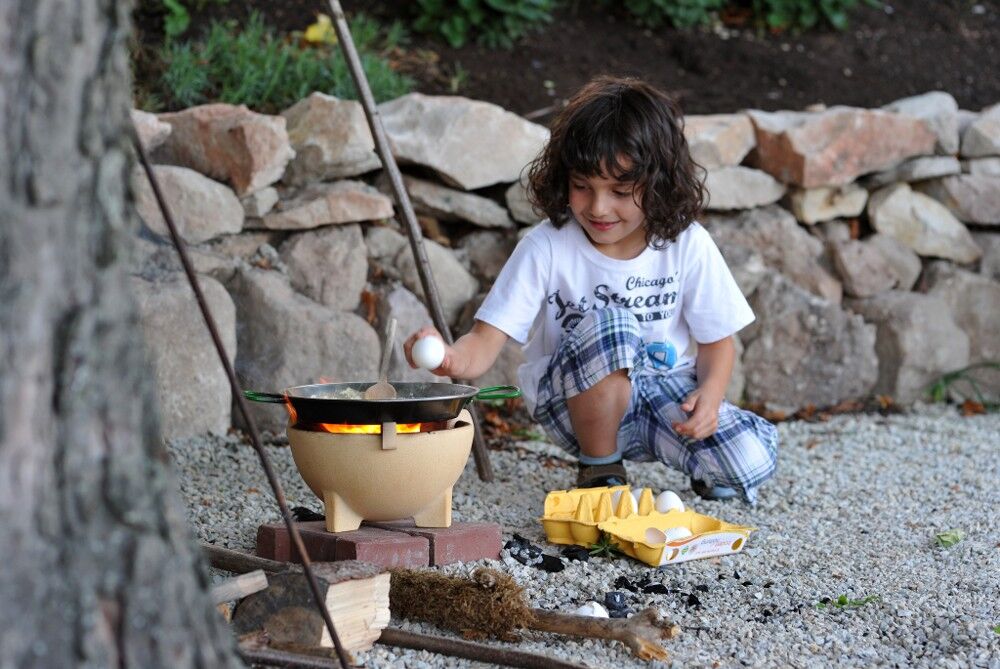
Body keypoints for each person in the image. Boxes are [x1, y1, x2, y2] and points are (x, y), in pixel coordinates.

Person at [403, 76, 777, 504]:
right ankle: (600, 467)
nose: (598, 208)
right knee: (614, 323)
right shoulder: (546, 246)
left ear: (657, 185)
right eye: (583, 187)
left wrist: (709, 399)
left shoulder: (686, 244)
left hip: (660, 397)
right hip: (574, 402)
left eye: (619, 192)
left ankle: (700, 467)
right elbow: (485, 344)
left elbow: (718, 343)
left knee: (752, 460)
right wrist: (449, 356)